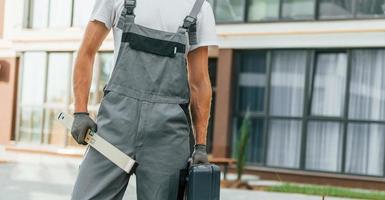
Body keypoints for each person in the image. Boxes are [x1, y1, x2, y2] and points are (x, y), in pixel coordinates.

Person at [70, 0, 218, 199]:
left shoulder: (199, 8)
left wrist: (200, 146)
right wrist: (80, 111)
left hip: (167, 139)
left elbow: (199, 82)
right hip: (115, 129)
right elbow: (87, 52)